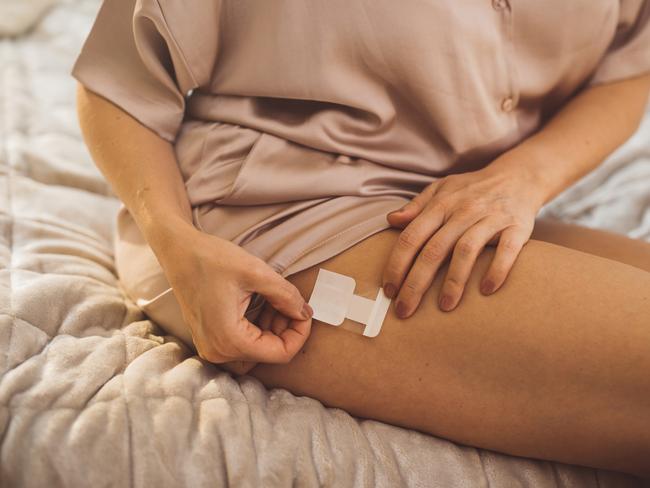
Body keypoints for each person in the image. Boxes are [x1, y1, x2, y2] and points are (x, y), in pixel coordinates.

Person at [71, 0, 650, 477]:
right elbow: (118, 81)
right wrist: (175, 242)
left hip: (457, 200)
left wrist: (523, 177)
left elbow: (629, 63)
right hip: (272, 219)